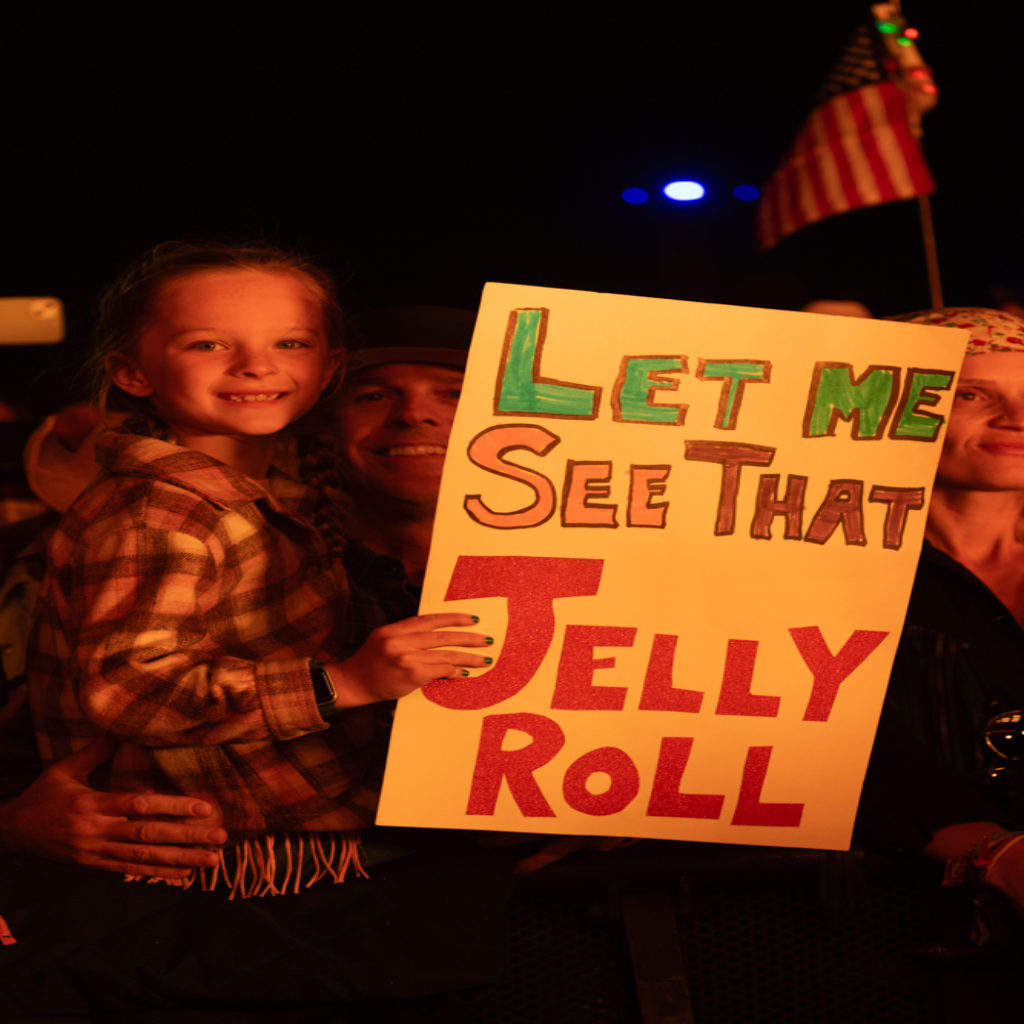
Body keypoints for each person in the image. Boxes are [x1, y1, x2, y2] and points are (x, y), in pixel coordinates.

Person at [4, 243, 501, 1020]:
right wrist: (344, 682)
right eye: (209, 343)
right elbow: (124, 686)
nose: (255, 365)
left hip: (335, 873)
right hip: (238, 890)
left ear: (324, 369)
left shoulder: (275, 508)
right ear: (131, 371)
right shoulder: (160, 512)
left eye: (289, 343)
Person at [855, 306, 1024, 948]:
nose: (1015, 417)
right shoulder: (819, 570)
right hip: (878, 935)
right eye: (972, 394)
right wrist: (996, 852)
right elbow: (816, 745)